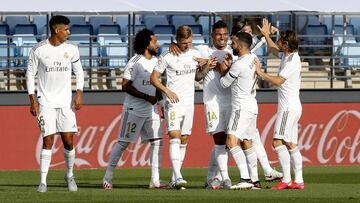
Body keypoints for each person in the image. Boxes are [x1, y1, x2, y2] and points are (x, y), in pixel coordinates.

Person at [26, 15, 84, 193]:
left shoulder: (72, 49)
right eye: (66, 29)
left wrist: (79, 93)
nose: (69, 32)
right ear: (56, 30)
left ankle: (69, 175)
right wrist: (32, 100)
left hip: (66, 103)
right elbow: (30, 75)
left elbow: (79, 72)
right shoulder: (39, 49)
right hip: (46, 103)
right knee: (48, 140)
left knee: (68, 141)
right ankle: (43, 182)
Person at [102, 28, 164, 189]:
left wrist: (161, 104)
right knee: (123, 143)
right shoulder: (135, 62)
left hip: (151, 110)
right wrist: (146, 97)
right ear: (146, 43)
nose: (157, 45)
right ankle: (107, 177)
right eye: (154, 41)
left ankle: (155, 180)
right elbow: (125, 86)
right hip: (133, 110)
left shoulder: (157, 62)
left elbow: (157, 85)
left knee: (158, 142)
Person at [150, 25, 205, 189]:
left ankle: (175, 178)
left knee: (184, 139)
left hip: (189, 103)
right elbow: (154, 78)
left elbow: (199, 77)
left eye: (189, 42)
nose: (187, 45)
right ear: (177, 40)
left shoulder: (195, 54)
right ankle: (179, 176)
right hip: (173, 103)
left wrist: (206, 66)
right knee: (174, 136)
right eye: (183, 43)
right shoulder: (168, 55)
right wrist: (166, 90)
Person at [256, 18, 304, 190]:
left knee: (277, 141)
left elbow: (277, 81)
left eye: (280, 40)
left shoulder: (292, 62)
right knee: (291, 144)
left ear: (286, 44)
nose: (278, 43)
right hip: (294, 106)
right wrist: (266, 36)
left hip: (287, 108)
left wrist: (260, 72)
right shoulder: (288, 54)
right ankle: (298, 181)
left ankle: (286, 179)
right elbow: (273, 48)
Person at [220, 31, 261, 190]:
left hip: (241, 107)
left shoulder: (239, 64)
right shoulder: (253, 58)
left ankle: (245, 178)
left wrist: (223, 68)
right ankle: (255, 180)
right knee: (247, 142)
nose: (232, 45)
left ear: (242, 45)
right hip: (252, 104)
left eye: (234, 43)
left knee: (231, 140)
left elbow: (224, 83)